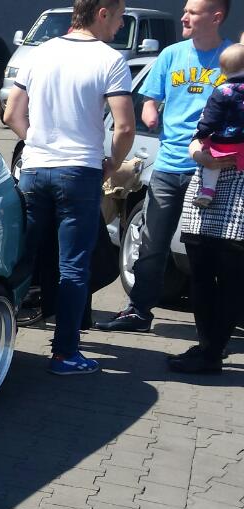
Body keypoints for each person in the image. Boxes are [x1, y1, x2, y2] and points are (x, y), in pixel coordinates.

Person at [4, 0, 135, 376]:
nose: (120, 25)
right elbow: (125, 127)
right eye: (120, 16)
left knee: (22, 259)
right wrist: (112, 163)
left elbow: (11, 114)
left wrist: (38, 143)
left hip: (34, 170)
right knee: (73, 266)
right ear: (102, 12)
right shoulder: (110, 59)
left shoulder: (39, 53)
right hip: (79, 172)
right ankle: (64, 354)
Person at [97, 0, 233, 333]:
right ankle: (138, 311)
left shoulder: (232, 58)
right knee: (152, 243)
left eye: (192, 12)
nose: (183, 16)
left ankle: (213, 326)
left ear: (216, 17)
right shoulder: (171, 55)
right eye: (185, 10)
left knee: (208, 253)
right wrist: (150, 113)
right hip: (168, 166)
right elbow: (150, 99)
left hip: (214, 171)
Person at [168, 136, 244, 372]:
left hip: (238, 200)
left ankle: (212, 354)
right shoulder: (218, 108)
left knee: (231, 283)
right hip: (204, 192)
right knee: (200, 277)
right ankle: (207, 346)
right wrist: (200, 156)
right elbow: (197, 137)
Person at [192, 45, 244, 206]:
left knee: (211, 158)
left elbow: (211, 118)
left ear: (223, 70)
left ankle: (208, 191)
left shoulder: (221, 91)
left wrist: (201, 134)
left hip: (224, 142)